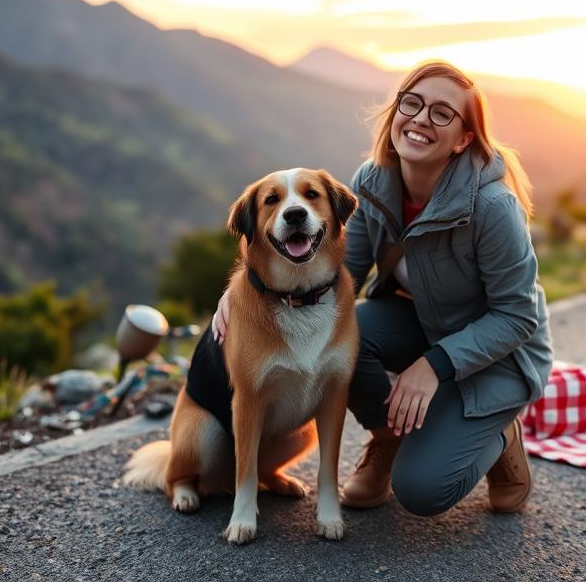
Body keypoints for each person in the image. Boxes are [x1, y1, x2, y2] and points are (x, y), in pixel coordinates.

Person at [212, 60, 553, 517]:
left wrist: (433, 367)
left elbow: (517, 316)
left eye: (441, 113)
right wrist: (242, 293)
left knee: (421, 490)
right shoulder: (372, 184)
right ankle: (388, 440)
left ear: (464, 138)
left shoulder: (493, 207)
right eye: (412, 104)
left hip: (502, 352)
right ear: (395, 113)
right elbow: (332, 279)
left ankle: (497, 433)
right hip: (424, 324)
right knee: (347, 332)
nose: (420, 119)